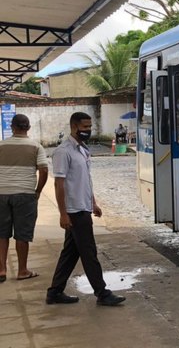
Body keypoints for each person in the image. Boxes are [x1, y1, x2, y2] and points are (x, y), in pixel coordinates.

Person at [46, 112, 125, 306]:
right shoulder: (63, 152)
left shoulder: (82, 149)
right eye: (85, 128)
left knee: (70, 253)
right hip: (74, 211)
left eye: (90, 127)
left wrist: (93, 202)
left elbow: (85, 180)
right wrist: (63, 214)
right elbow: (59, 184)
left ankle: (55, 292)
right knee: (89, 252)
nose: (88, 131)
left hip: (83, 206)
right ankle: (102, 293)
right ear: (74, 127)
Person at [0, 114, 48, 282]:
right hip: (25, 195)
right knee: (22, 235)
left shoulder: (1, 145)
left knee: (2, 233)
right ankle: (22, 271)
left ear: (12, 127)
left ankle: (1, 270)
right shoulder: (36, 146)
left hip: (1, 194)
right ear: (28, 128)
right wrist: (38, 190)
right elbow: (44, 170)